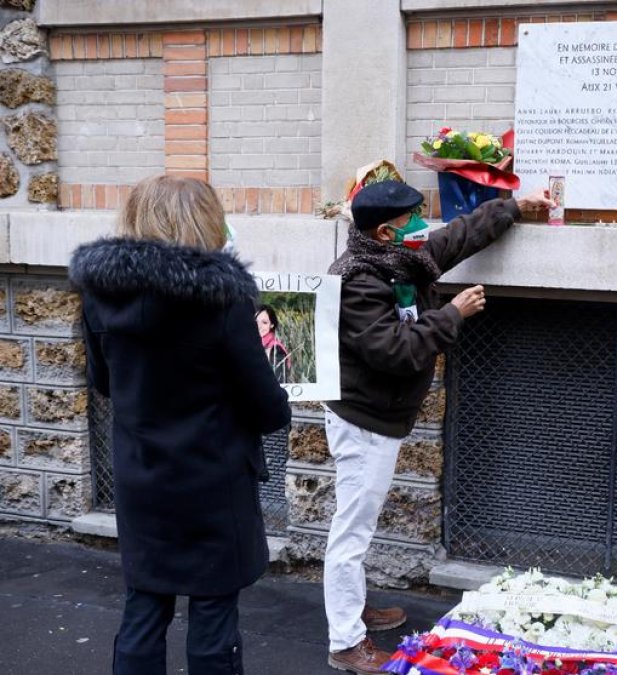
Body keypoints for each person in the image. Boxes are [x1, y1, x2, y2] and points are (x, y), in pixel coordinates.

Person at [323, 179, 553, 674]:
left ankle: (351, 608)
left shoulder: (399, 258)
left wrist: (513, 207)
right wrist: (453, 313)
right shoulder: (359, 281)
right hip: (363, 420)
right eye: (412, 219)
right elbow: (396, 351)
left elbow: (455, 238)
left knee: (359, 523)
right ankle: (345, 640)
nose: (422, 226)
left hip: (381, 417)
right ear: (385, 232)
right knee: (352, 531)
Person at [68, 174, 292, 675]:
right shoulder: (223, 300)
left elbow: (103, 382)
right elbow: (265, 405)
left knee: (143, 609)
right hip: (213, 482)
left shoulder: (100, 295)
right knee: (213, 618)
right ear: (206, 222)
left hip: (141, 476)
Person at [256, 304, 291, 383]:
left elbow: (279, 382)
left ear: (272, 325)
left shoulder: (276, 349)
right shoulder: (253, 344)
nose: (259, 326)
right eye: (256, 321)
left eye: (264, 322)